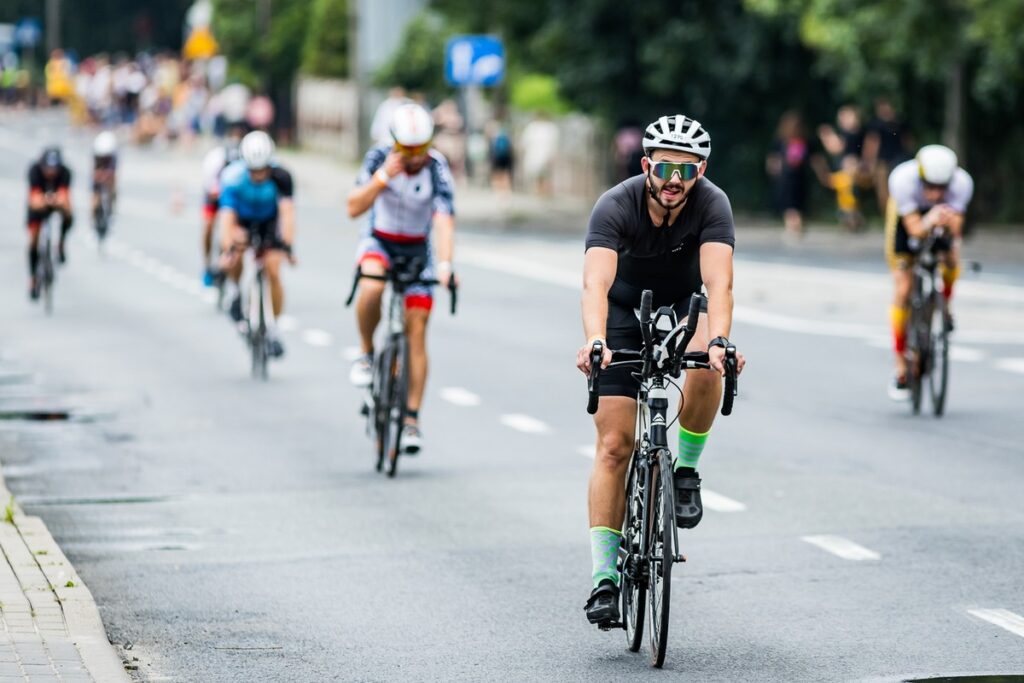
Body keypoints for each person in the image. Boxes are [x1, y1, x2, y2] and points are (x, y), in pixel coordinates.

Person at [577, 114, 745, 627]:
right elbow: (595, 286)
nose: (676, 180)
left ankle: (687, 470)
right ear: (647, 164)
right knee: (614, 447)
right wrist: (596, 341)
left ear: (702, 171)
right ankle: (605, 579)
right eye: (667, 167)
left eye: (688, 171)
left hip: (685, 308)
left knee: (710, 360)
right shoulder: (615, 204)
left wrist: (719, 340)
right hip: (624, 315)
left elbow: (719, 284)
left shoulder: (712, 204)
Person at [346, 103, 457, 455]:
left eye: (419, 150)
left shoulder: (437, 168)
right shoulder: (378, 158)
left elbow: (443, 221)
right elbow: (352, 207)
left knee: (418, 328)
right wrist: (382, 178)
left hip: (416, 251)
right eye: (405, 150)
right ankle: (365, 353)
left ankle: (411, 420)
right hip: (379, 240)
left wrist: (446, 265)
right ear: (393, 143)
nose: (413, 159)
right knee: (372, 284)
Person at [885, 144, 972, 400]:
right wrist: (928, 221)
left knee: (952, 258)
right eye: (929, 186)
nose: (935, 193)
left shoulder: (962, 184)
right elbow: (913, 229)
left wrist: (948, 228)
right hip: (909, 218)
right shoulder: (902, 180)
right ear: (920, 177)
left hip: (941, 218)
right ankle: (900, 362)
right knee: (903, 288)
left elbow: (957, 228)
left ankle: (944, 304)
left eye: (941, 187)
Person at [218, 131, 296, 358]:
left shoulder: (282, 176)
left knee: (274, 269)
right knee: (236, 247)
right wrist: (228, 249)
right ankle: (235, 290)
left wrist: (288, 247)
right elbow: (226, 219)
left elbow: (288, 215)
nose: (259, 175)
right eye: (254, 171)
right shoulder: (232, 177)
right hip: (242, 219)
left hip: (269, 221)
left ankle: (273, 328)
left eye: (263, 170)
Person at [200, 120, 246, 284]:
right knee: (208, 226)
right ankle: (207, 264)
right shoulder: (216, 157)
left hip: (235, 198)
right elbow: (209, 184)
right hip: (215, 195)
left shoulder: (245, 156)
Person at [26, 147, 74, 299]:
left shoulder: (65, 172)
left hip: (55, 203)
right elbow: (34, 200)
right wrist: (48, 199)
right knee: (33, 238)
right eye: (48, 169)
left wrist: (55, 200)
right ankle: (33, 278)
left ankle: (61, 243)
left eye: (54, 169)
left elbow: (64, 198)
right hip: (39, 205)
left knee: (68, 214)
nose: (51, 173)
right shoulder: (34, 171)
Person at [863, 98, 912, 213]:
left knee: (899, 190)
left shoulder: (900, 123)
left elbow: (907, 141)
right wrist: (869, 161)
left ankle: (900, 215)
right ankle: (888, 216)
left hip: (899, 161)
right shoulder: (876, 125)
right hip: (882, 162)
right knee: (883, 192)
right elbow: (872, 143)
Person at [766, 111, 811, 239]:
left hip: (796, 177)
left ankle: (794, 227)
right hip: (791, 177)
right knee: (792, 204)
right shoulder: (783, 141)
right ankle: (794, 227)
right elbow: (774, 157)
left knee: (795, 203)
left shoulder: (802, 141)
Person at [92, 130, 118, 227]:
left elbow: (113, 172)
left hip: (111, 165)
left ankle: (112, 206)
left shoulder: (113, 154)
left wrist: (108, 178)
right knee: (95, 192)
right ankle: (93, 218)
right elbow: (94, 172)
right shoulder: (96, 152)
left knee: (112, 183)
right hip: (98, 162)